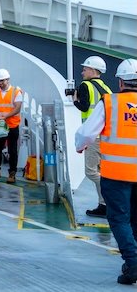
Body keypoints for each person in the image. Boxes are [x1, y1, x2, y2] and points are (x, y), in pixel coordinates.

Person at [76, 59, 137, 285]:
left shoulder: (110, 103)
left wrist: (80, 146)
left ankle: (133, 263)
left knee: (119, 219)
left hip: (116, 174)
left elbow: (86, 133)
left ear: (120, 82)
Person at [70, 55, 114, 217]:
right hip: (106, 135)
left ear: (93, 70)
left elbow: (84, 107)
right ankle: (104, 205)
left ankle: (110, 196)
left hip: (92, 135)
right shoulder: (106, 87)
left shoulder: (85, 85)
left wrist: (74, 99)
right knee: (101, 170)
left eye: (85, 69)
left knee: (91, 172)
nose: (82, 72)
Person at [0, 68, 24, 183]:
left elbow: (17, 108)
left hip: (12, 125)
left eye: (2, 81)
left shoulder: (16, 92)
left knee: (12, 150)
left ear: (8, 80)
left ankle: (12, 173)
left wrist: (6, 116)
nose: (0, 83)